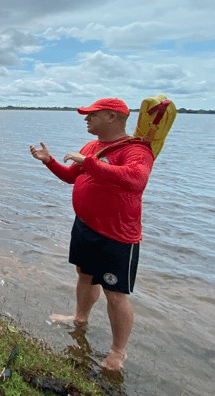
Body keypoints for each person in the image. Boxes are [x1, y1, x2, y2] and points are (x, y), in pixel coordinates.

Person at [29, 98, 155, 371]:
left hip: (118, 235)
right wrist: (49, 161)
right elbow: (72, 176)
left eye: (91, 115)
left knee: (115, 293)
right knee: (84, 276)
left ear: (112, 117)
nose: (86, 119)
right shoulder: (91, 147)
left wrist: (89, 162)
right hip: (86, 226)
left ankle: (118, 352)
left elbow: (136, 179)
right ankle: (80, 319)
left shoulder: (137, 150)